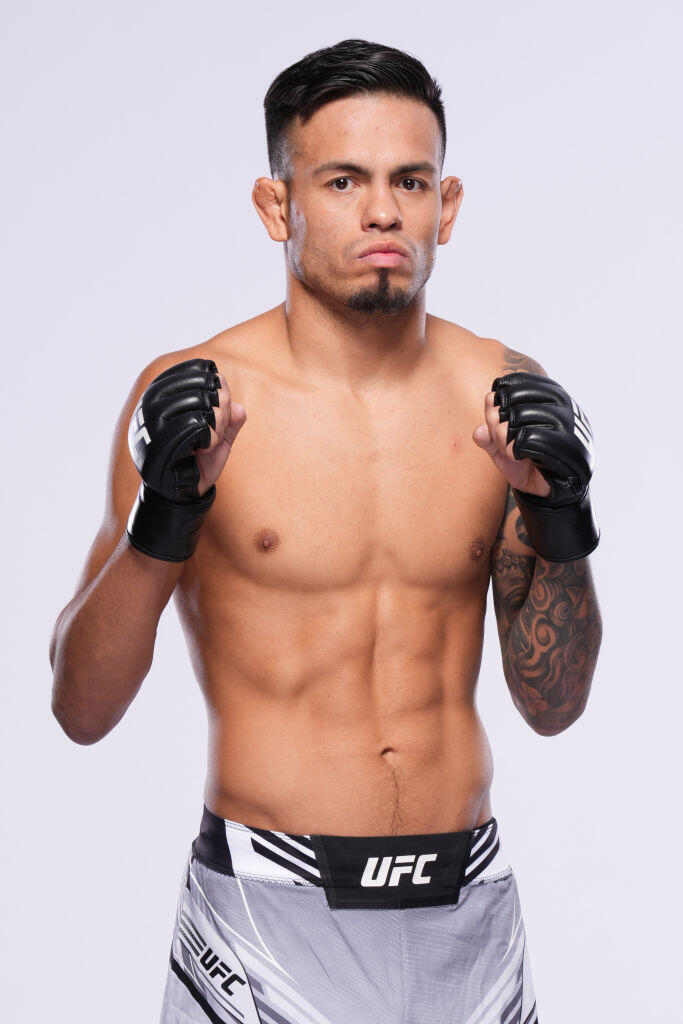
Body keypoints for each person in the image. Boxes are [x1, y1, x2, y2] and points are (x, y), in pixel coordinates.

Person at [50, 38, 602, 1024]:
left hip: (468, 917)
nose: (382, 211)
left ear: (447, 205)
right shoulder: (196, 399)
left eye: (409, 180)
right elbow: (81, 708)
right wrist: (163, 518)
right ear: (277, 206)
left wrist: (560, 518)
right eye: (343, 180)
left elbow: (552, 705)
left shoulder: (502, 396)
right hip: (264, 922)